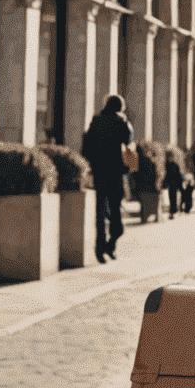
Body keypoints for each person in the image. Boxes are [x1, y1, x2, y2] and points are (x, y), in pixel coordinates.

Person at [81, 95, 133, 263]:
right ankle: (110, 244)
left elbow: (86, 146)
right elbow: (129, 139)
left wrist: (93, 166)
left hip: (100, 172)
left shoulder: (96, 120)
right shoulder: (121, 122)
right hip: (115, 173)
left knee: (100, 212)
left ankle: (100, 248)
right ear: (120, 107)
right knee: (115, 210)